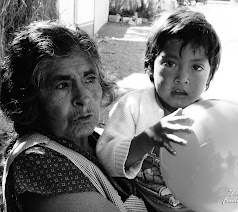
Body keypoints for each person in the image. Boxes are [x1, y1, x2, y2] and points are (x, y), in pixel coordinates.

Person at [96, 7, 238, 212]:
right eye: (170, 63)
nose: (182, 77)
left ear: (209, 76)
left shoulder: (214, 121)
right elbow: (105, 157)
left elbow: (233, 184)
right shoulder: (133, 106)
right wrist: (148, 138)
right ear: (151, 66)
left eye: (196, 67)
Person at [0, 21, 148, 212]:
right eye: (63, 85)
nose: (83, 98)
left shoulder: (96, 138)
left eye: (90, 79)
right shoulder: (38, 163)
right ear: (30, 98)